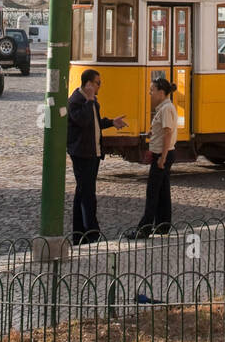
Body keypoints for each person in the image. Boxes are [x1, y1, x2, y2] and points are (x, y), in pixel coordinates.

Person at [66, 68, 126, 244]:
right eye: (98, 83)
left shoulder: (91, 102)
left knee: (82, 193)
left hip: (93, 153)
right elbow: (83, 121)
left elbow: (95, 122)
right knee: (87, 194)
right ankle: (92, 233)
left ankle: (79, 234)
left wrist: (111, 122)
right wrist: (90, 100)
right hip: (82, 154)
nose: (100, 87)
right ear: (89, 84)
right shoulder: (76, 101)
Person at [129, 76, 178, 238]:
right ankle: (163, 225)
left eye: (152, 90)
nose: (150, 93)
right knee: (163, 191)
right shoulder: (164, 108)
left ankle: (144, 229)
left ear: (161, 92)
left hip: (162, 154)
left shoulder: (166, 109)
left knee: (153, 192)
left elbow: (168, 133)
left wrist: (162, 158)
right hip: (162, 153)